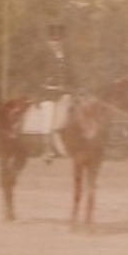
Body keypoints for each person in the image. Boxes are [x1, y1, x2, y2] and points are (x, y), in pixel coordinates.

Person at [32, 23, 76, 160]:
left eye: (58, 40)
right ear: (48, 42)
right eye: (52, 40)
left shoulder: (68, 58)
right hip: (48, 94)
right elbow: (35, 73)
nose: (55, 43)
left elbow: (73, 76)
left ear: (62, 41)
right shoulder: (43, 57)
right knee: (48, 114)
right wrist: (45, 82)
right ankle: (47, 150)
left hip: (66, 93)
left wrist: (70, 87)